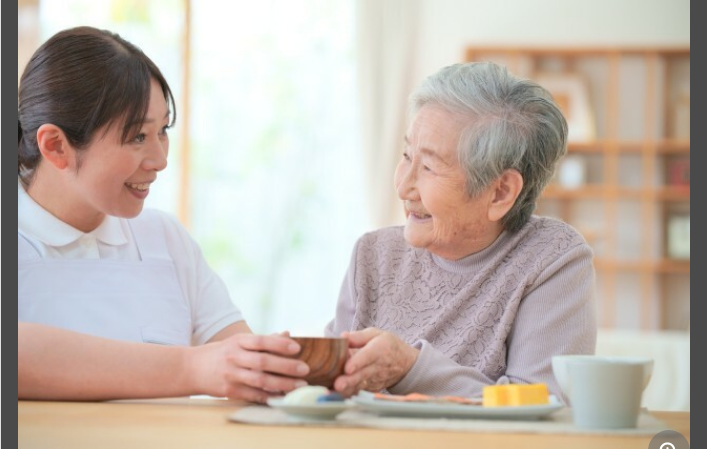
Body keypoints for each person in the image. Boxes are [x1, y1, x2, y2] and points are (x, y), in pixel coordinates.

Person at [18, 26, 309, 403]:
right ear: (56, 146)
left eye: (163, 131)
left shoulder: (165, 239)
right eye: (138, 137)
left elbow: (244, 363)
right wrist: (193, 369)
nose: (160, 160)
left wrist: (316, 370)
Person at [326, 62, 597, 402]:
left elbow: (546, 405)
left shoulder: (551, 258)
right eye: (407, 155)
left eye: (428, 167)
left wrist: (410, 369)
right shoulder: (374, 254)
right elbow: (330, 394)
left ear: (500, 192)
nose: (404, 186)